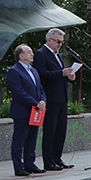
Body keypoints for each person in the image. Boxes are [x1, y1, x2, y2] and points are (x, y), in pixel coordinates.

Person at [32, 28, 75, 170]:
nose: (60, 45)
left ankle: (57, 158)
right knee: (50, 130)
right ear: (49, 40)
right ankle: (48, 161)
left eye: (62, 42)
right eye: (58, 41)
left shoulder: (58, 55)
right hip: (50, 98)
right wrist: (61, 73)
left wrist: (69, 77)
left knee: (60, 130)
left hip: (62, 97)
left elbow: (59, 75)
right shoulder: (40, 54)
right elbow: (42, 74)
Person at [7, 44, 47, 177]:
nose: (32, 54)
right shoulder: (14, 71)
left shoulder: (34, 71)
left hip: (35, 111)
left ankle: (30, 164)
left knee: (32, 139)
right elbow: (19, 92)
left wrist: (42, 101)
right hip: (22, 111)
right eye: (29, 52)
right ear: (21, 55)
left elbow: (40, 89)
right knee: (20, 139)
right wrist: (35, 102)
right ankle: (18, 166)